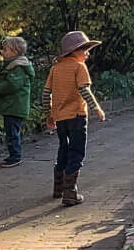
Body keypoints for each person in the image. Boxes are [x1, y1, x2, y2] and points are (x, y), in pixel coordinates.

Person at [43, 28, 106, 208]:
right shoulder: (79, 67)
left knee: (64, 148)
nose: (87, 54)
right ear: (75, 51)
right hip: (77, 116)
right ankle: (70, 192)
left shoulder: (55, 68)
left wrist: (48, 114)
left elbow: (46, 93)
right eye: (84, 50)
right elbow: (84, 90)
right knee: (77, 151)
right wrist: (97, 108)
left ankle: (58, 187)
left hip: (60, 118)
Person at [0, 34, 35, 166]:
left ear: (14, 52)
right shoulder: (11, 66)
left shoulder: (17, 67)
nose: (2, 52)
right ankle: (13, 154)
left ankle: (15, 156)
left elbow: (12, 85)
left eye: (5, 50)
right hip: (11, 105)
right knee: (11, 131)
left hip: (14, 106)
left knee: (12, 132)